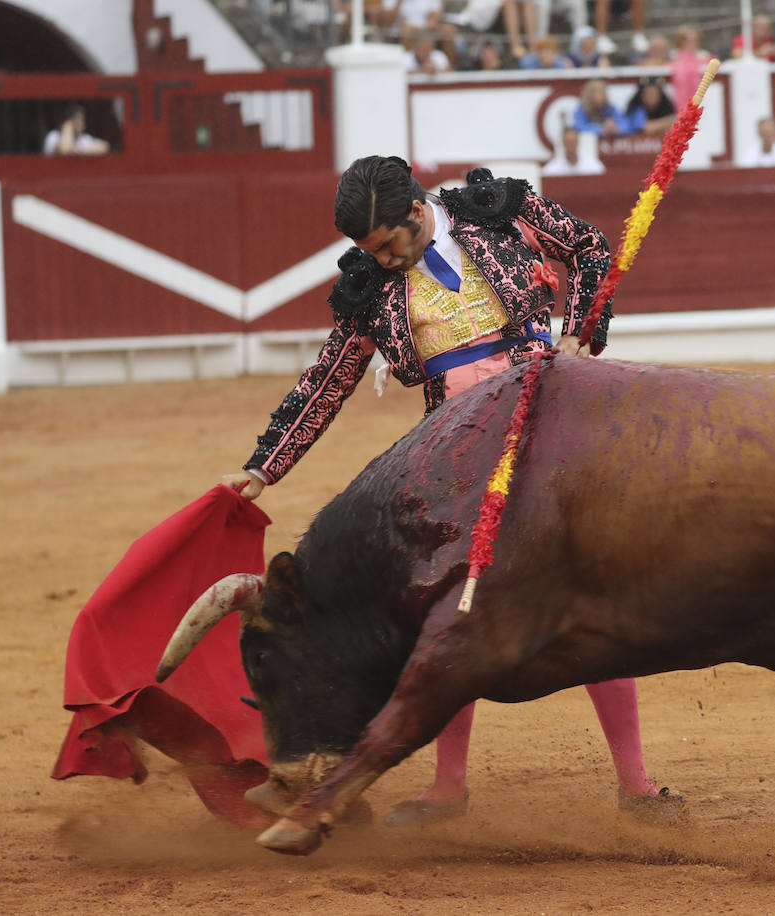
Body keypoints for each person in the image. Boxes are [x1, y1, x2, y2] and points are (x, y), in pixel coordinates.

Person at [221, 156, 683, 825]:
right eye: (368, 253)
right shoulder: (372, 286)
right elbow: (328, 379)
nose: (381, 261)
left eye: (386, 246)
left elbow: (588, 247)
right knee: (451, 612)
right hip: (457, 456)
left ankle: (638, 788)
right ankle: (447, 788)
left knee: (586, 604)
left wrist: (584, 328)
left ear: (414, 212)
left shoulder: (499, 211)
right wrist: (265, 465)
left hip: (548, 434)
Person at [669, 25, 712, 115]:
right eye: (687, 40)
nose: (692, 43)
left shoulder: (704, 55)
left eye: (695, 40)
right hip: (678, 99)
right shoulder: (673, 56)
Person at [43, 105, 110, 156]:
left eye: (82, 120)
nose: (81, 123)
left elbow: (104, 147)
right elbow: (65, 150)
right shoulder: (54, 136)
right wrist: (67, 127)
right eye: (77, 120)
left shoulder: (84, 138)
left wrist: (78, 151)